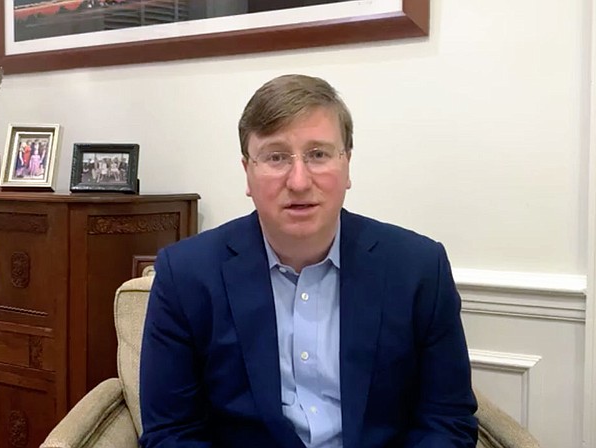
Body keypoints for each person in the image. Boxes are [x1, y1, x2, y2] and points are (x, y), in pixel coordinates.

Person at [139, 74, 478, 448]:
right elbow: (171, 433)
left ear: (346, 165)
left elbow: (446, 421)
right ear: (247, 173)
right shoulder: (185, 275)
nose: (299, 181)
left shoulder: (418, 269)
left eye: (318, 154)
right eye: (276, 157)